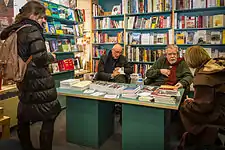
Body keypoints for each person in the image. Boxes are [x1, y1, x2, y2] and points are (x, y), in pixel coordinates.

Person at [0, 1, 61, 150]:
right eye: (43, 17)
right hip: (39, 82)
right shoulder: (33, 30)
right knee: (49, 117)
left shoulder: (16, 29)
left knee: (23, 118)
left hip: (23, 80)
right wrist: (52, 57)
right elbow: (40, 58)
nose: (44, 21)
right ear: (34, 15)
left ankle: (26, 147)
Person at [178, 46, 225, 149]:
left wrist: (191, 104)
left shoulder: (204, 76)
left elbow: (202, 107)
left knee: (183, 108)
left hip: (219, 115)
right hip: (221, 107)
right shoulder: (215, 66)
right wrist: (196, 101)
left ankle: (195, 137)